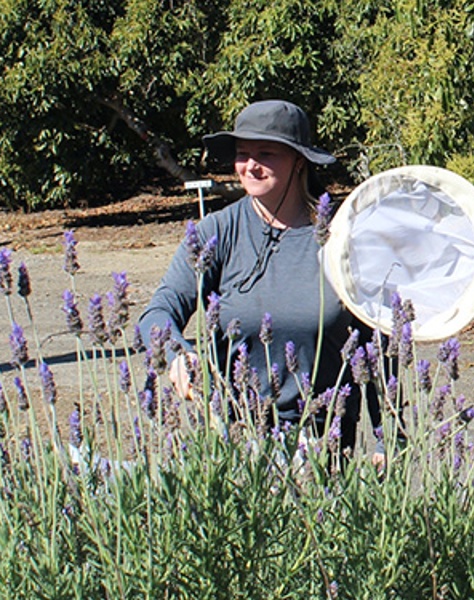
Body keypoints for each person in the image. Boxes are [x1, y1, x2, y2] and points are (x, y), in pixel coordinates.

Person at [138, 99, 386, 460]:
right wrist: (179, 354)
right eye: (242, 153)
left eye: (266, 153)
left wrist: (387, 439)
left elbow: (378, 344)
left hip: (323, 446)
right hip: (235, 441)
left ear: (299, 160)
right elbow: (158, 312)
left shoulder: (343, 239)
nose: (250, 166)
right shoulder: (217, 233)